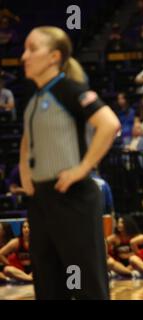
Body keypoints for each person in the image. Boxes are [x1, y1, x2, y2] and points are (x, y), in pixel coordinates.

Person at [20, 26, 121, 299]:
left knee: (88, 283)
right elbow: (28, 140)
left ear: (54, 56)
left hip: (73, 197)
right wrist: (26, 176)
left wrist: (82, 168)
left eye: (32, 49)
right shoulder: (34, 99)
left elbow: (109, 124)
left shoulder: (69, 90)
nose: (24, 56)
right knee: (48, 283)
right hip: (42, 200)